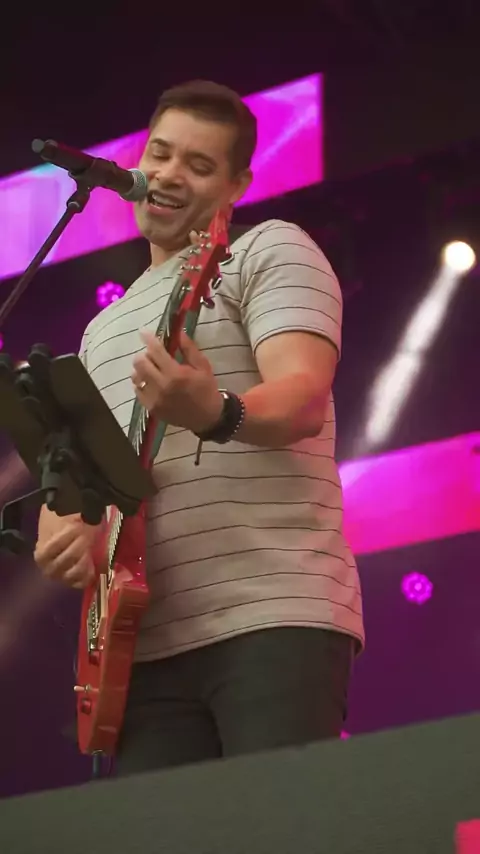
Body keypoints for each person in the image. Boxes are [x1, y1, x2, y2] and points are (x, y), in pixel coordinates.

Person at [34, 80, 364, 775]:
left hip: (272, 614)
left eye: (199, 164)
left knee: (279, 823)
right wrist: (64, 524)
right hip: (140, 643)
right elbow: (87, 474)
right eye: (160, 154)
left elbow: (302, 396)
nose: (168, 174)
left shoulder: (269, 248)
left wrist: (217, 410)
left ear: (237, 185)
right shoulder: (101, 330)